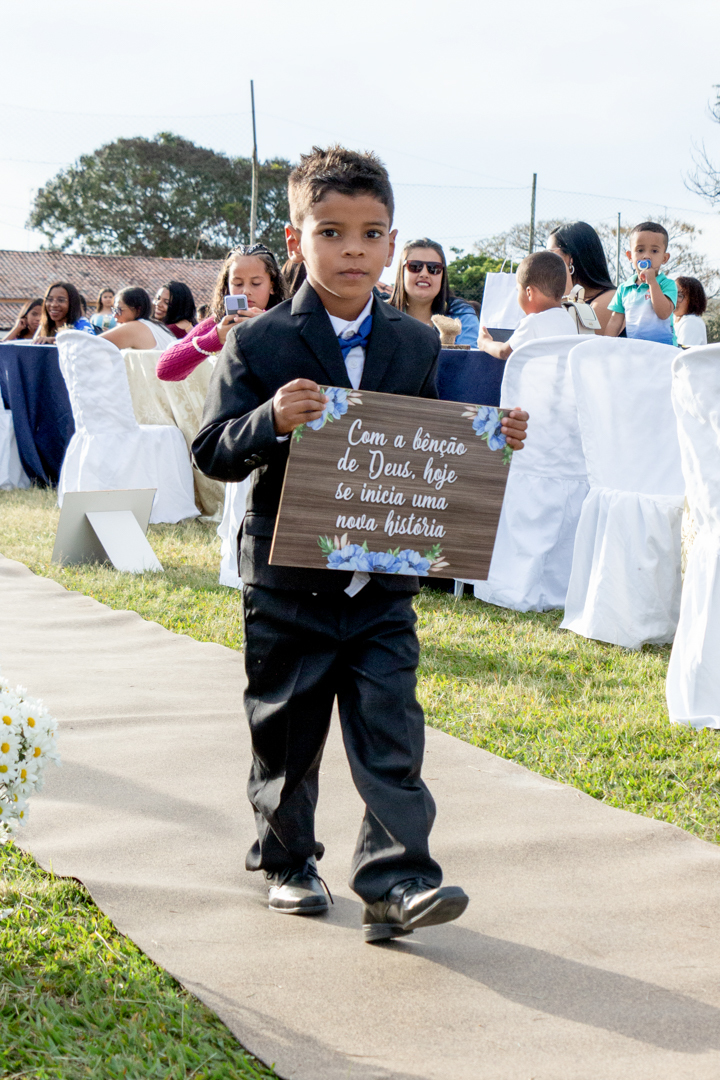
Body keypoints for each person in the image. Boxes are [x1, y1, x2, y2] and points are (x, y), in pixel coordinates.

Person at [192, 144, 528, 942]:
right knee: (288, 733)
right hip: (287, 577)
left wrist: (486, 441)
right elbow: (210, 449)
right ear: (296, 237)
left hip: (382, 583)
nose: (353, 249)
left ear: (391, 241)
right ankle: (287, 860)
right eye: (332, 231)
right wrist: (268, 421)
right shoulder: (259, 343)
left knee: (392, 730)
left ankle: (399, 881)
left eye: (372, 234)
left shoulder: (414, 346)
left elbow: (426, 446)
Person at [156, 244, 286, 382]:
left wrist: (270, 328)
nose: (246, 291)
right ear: (227, 285)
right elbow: (164, 370)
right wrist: (214, 338)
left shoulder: (287, 320)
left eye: (256, 283)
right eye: (237, 284)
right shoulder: (219, 324)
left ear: (272, 285)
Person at [478, 250, 578, 360]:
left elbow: (504, 352)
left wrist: (485, 343)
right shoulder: (568, 319)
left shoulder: (532, 323)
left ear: (529, 292)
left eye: (518, 290)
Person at [389, 238, 480, 346]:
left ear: (443, 275)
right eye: (414, 266)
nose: (424, 274)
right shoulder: (379, 312)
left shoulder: (460, 313)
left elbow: (467, 359)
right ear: (401, 271)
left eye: (434, 268)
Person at [604, 222, 677, 345]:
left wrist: (653, 283)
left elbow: (664, 313)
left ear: (664, 258)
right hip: (635, 349)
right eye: (640, 250)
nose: (646, 256)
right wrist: (605, 344)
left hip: (664, 349)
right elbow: (615, 321)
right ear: (630, 256)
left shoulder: (667, 285)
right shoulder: (624, 288)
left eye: (654, 251)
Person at [547, 221, 618, 333]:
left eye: (550, 253)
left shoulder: (610, 299)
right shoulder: (575, 297)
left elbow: (571, 342)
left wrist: (566, 293)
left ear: (571, 258)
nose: (547, 259)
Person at [99, 287, 177, 350]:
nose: (115, 316)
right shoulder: (158, 326)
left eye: (119, 310)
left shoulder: (135, 327)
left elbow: (91, 344)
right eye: (114, 310)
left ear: (138, 310)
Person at [674, 276, 708, 347]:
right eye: (673, 294)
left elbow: (681, 355)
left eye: (680, 296)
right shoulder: (675, 320)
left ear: (693, 300)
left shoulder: (691, 322)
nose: (675, 299)